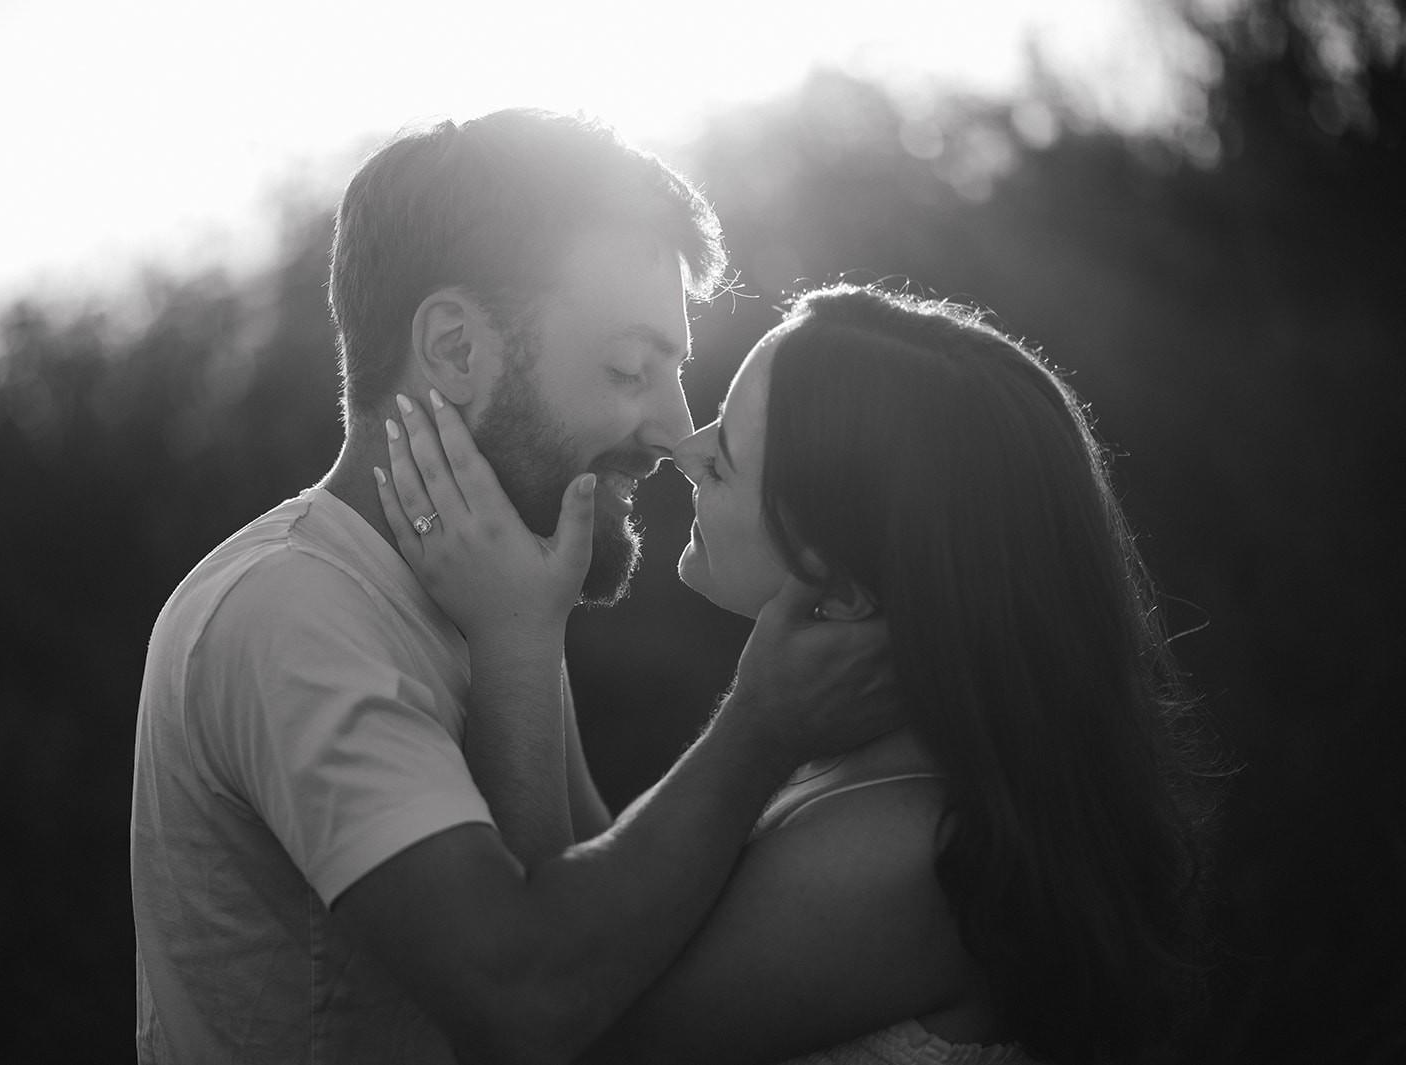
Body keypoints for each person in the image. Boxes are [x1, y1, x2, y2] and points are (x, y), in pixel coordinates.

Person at [130, 110, 899, 1065]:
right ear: (455, 350)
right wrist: (758, 729)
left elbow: (603, 928)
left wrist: (524, 642)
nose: (673, 429)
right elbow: (528, 1005)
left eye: (676, 369)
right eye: (629, 366)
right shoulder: (293, 612)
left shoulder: (499, 588)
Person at [377, 282, 1212, 1064]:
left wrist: (517, 639)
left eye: (729, 454)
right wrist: (532, 618)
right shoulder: (872, 770)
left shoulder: (905, 850)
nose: (685, 449)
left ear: (843, 589)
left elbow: (560, 1020)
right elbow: (605, 889)